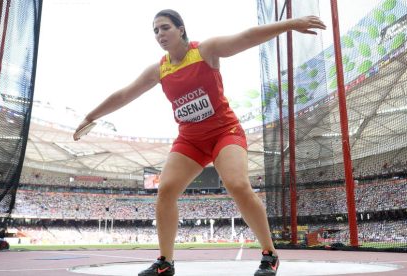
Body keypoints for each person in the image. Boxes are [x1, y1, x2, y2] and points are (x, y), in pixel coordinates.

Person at [74, 9, 326, 276]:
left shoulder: (206, 50)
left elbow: (247, 37)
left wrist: (291, 23)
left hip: (224, 132)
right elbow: (124, 95)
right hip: (190, 140)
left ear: (181, 29)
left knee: (237, 184)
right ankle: (165, 262)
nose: (160, 34)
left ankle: (269, 254)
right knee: (166, 190)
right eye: (155, 30)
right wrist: (90, 116)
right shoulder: (159, 69)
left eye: (165, 28)